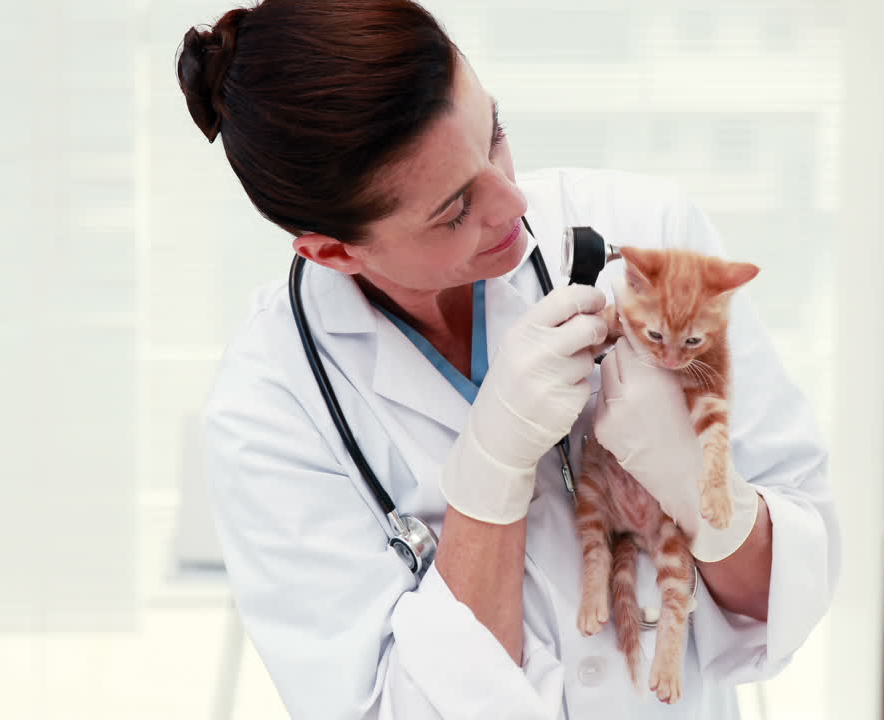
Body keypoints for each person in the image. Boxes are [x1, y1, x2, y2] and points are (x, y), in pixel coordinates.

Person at [178, 1, 840, 718]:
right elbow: (385, 709)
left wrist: (699, 485)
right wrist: (491, 471)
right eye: (454, 210)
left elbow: (792, 591)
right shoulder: (273, 405)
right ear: (334, 251)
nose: (512, 201)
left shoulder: (648, 237)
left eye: (492, 133)